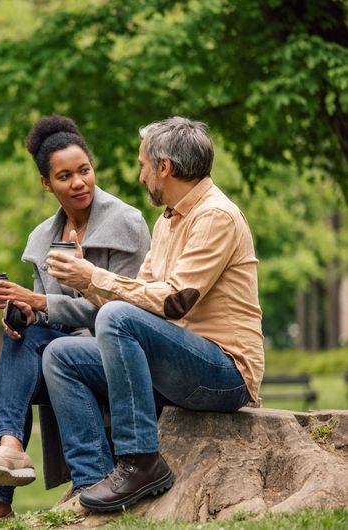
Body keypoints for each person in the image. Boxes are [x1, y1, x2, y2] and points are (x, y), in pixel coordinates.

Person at [42, 116, 264, 513]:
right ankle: (92, 478)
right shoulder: (168, 221)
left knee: (116, 319)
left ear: (165, 167)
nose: (140, 174)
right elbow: (137, 299)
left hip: (225, 372)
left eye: (143, 164)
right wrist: (85, 279)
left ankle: (141, 462)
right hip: (179, 363)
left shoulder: (216, 216)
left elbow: (176, 301)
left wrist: (95, 275)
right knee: (61, 355)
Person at [0, 115, 150, 530]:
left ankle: (11, 493)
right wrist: (22, 309)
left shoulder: (125, 223)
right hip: (64, 356)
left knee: (47, 344)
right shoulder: (44, 237)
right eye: (65, 176)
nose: (79, 182)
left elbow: (129, 309)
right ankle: (3, 476)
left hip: (119, 353)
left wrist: (42, 303)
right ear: (47, 184)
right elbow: (49, 314)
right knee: (21, 334)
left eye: (84, 170)